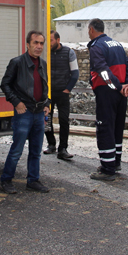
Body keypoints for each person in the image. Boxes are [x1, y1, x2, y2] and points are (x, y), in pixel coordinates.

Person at [0, 30, 51, 194]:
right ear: (27, 44)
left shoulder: (43, 63)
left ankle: (33, 181)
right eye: (35, 43)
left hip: (38, 113)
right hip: (24, 113)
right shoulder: (16, 62)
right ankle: (6, 180)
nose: (38, 46)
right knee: (17, 150)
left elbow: (44, 86)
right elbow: (5, 84)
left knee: (36, 150)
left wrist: (47, 103)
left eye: (41, 43)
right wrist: (16, 102)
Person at [87, 18, 128, 181]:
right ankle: (115, 162)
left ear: (91, 29)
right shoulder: (117, 44)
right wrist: (127, 84)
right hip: (121, 93)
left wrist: (116, 86)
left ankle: (107, 169)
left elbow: (102, 70)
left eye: (88, 30)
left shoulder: (96, 46)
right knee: (117, 127)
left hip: (108, 92)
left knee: (105, 127)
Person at [44, 30, 79, 160]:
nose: (49, 43)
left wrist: (67, 89)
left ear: (58, 40)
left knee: (64, 120)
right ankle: (51, 144)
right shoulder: (45, 53)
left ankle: (63, 149)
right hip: (48, 94)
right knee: (46, 121)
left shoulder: (69, 52)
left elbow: (75, 73)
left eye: (51, 40)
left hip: (63, 93)